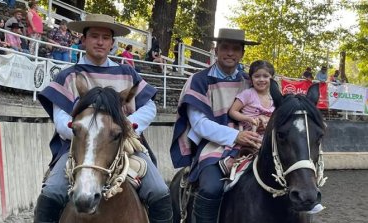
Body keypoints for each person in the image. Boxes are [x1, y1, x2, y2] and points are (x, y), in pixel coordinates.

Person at [34, 14, 173, 223]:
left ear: (112, 43)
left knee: (159, 190)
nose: (100, 42)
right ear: (84, 39)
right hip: (77, 147)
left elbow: (149, 106)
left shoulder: (127, 73)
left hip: (124, 145)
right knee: (52, 192)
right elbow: (61, 118)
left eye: (106, 38)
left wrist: (128, 125)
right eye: (94, 36)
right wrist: (85, 132)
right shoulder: (68, 76)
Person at [170, 28, 262, 223]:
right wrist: (235, 136)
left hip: (252, 141)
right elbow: (199, 124)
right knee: (211, 187)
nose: (230, 53)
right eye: (225, 48)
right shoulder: (199, 80)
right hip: (213, 145)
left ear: (242, 53)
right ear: (216, 50)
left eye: (236, 49)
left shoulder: (250, 81)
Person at [227, 60, 276, 169]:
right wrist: (248, 118)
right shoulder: (248, 94)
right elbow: (233, 111)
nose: (261, 79)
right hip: (249, 134)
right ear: (251, 79)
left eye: (266, 76)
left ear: (272, 78)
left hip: (268, 135)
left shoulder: (274, 97)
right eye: (257, 76)